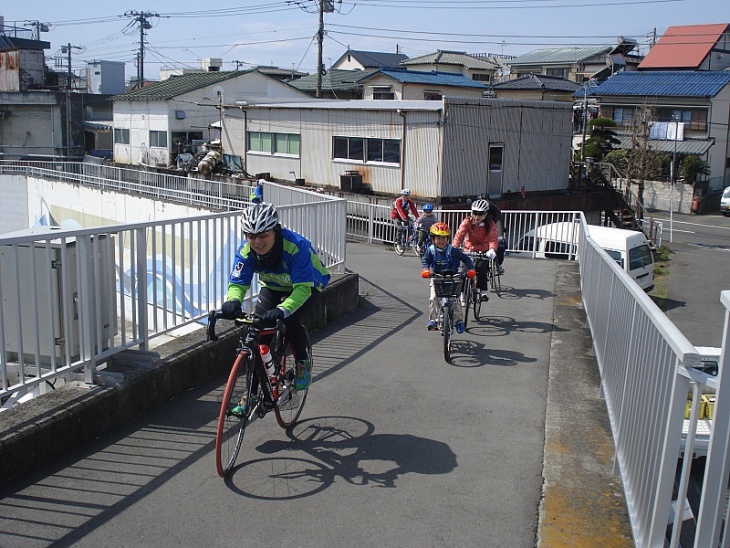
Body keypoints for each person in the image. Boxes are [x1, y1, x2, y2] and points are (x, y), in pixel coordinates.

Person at [221, 203, 330, 391]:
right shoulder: (246, 251)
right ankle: (253, 393)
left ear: (275, 231)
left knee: (289, 321)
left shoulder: (296, 246)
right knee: (258, 336)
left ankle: (302, 363)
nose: (257, 242)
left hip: (308, 285)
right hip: (273, 286)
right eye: (251, 236)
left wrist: (282, 309)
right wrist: (233, 301)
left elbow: (302, 289)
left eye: (263, 235)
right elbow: (238, 283)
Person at [421, 222, 475, 333]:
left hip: (453, 278)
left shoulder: (453, 250)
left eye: (443, 238)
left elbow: (466, 259)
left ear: (447, 238)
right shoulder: (430, 250)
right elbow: (425, 261)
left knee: (455, 300)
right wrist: (426, 270)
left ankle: (459, 321)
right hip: (437, 277)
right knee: (434, 298)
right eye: (438, 238)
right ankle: (433, 320)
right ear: (433, 239)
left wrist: (471, 269)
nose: (441, 241)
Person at [452, 199, 498, 302]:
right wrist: (454, 248)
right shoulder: (467, 221)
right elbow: (459, 235)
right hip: (469, 249)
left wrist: (491, 250)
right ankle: (463, 293)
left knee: (481, 268)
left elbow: (493, 238)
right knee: (464, 270)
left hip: (483, 250)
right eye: (475, 213)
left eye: (480, 214)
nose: (477, 216)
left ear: (486, 214)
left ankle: (483, 291)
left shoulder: (490, 224)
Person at [483, 197, 507, 274]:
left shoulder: (494, 209)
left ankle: (498, 264)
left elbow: (498, 222)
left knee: (500, 246)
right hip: (481, 235)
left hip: (493, 233)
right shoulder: (476, 209)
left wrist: (500, 235)